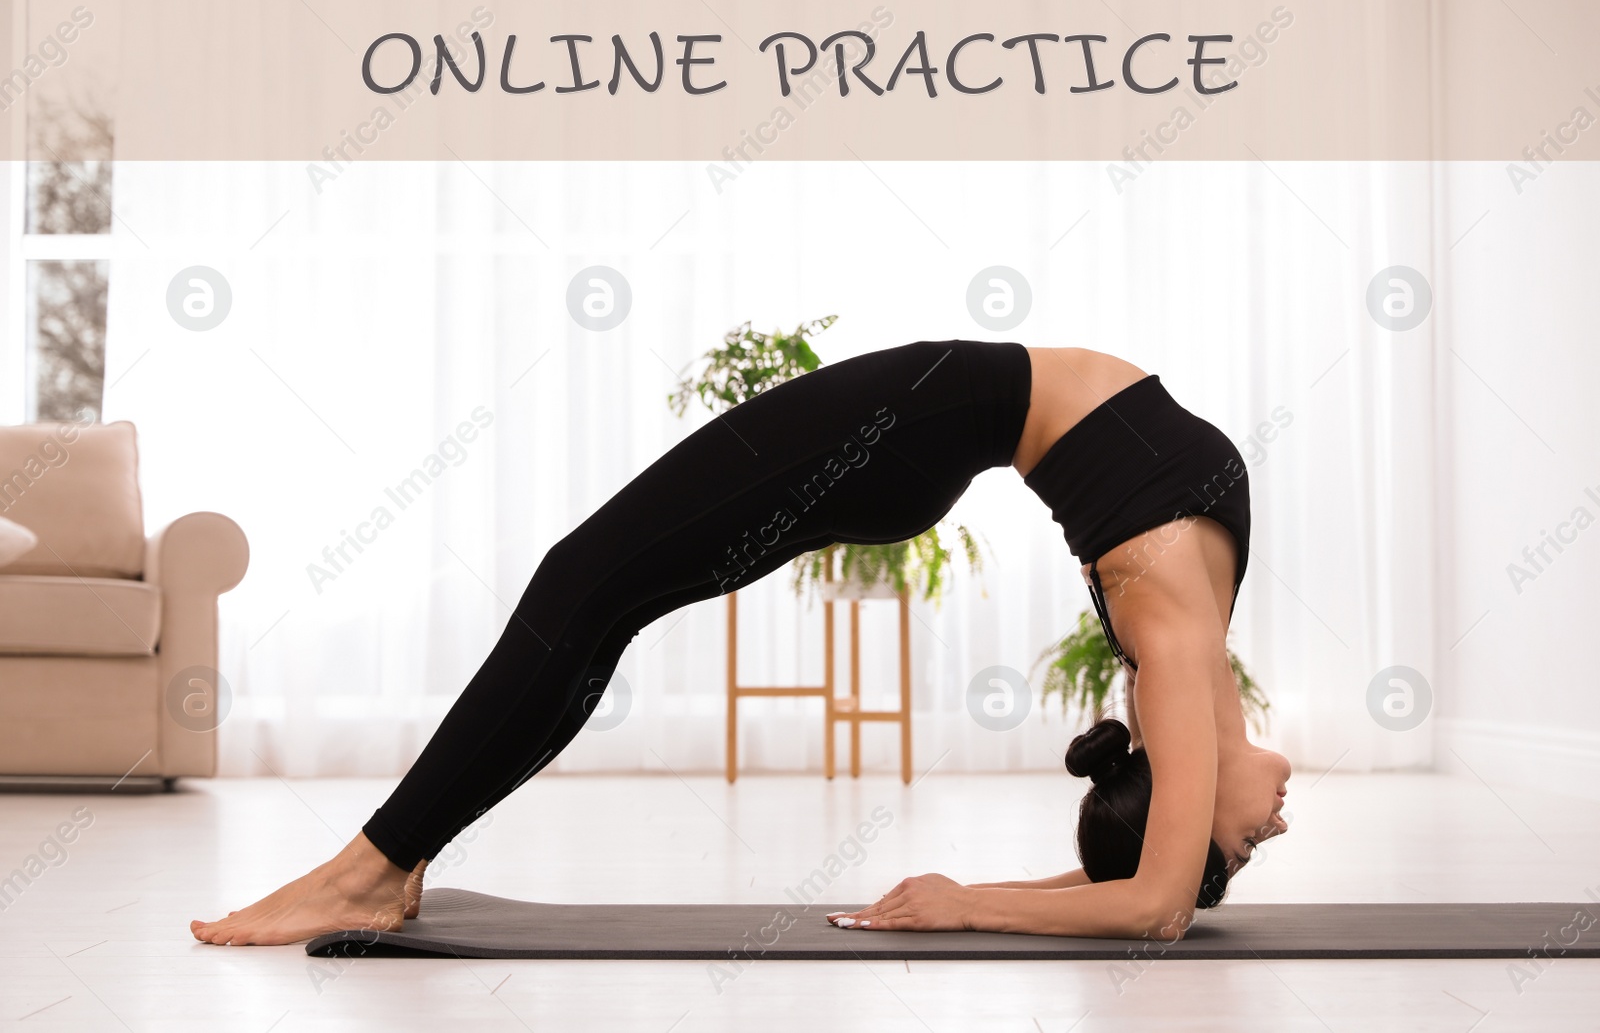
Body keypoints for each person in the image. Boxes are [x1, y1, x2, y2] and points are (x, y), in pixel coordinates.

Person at [191, 339, 1289, 946]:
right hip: (932, 428)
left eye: (1239, 847)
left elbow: (1151, 901)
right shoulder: (1192, 666)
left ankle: (372, 866)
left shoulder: (1177, 656)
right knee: (599, 590)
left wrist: (968, 899)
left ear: (1180, 788)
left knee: (588, 581)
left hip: (926, 421)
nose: (1271, 827)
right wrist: (1098, 874)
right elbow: (1151, 877)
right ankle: (391, 859)